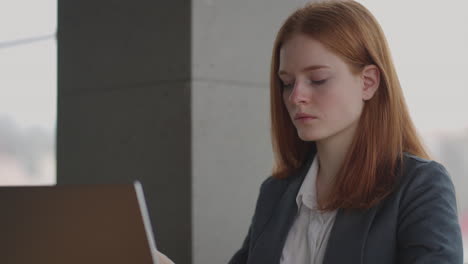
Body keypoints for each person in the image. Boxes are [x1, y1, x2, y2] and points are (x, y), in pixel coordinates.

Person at [228, 0, 463, 263]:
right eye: (286, 83)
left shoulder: (419, 186)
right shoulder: (275, 192)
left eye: (317, 79)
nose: (296, 97)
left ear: (368, 82)